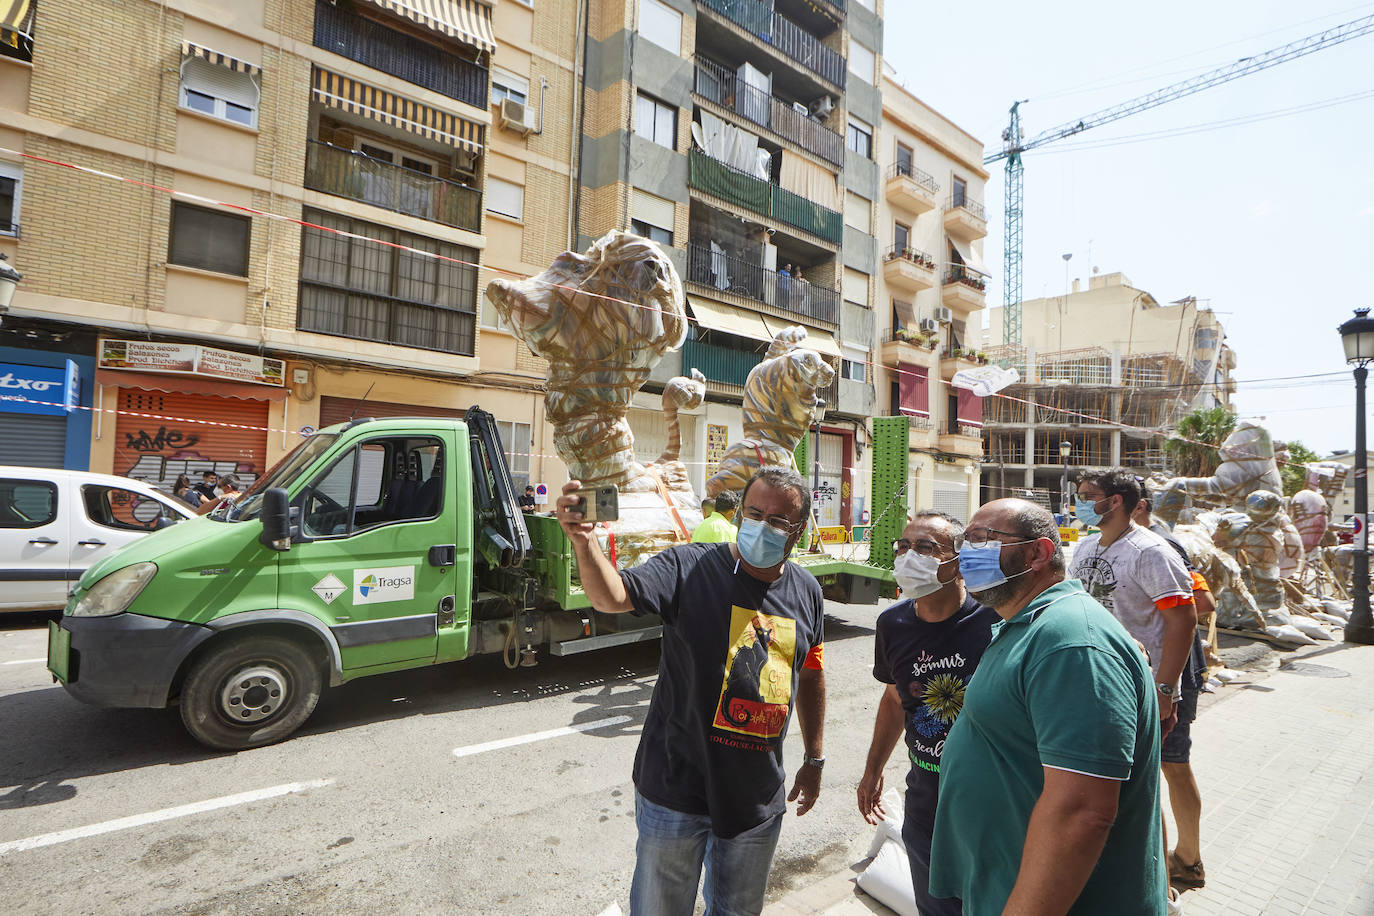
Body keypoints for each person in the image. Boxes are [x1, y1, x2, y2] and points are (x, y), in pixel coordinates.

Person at [557, 467, 825, 916]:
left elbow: (812, 674)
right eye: (754, 513)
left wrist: (814, 758)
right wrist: (585, 543)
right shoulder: (689, 566)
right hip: (675, 791)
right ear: (739, 512)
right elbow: (613, 597)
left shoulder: (807, 592)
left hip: (755, 801)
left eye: (778, 521)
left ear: (798, 532)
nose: (762, 525)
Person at [928, 498, 1165, 914]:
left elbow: (1082, 812)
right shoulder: (1030, 625)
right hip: (1005, 883)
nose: (968, 552)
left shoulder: (1071, 642)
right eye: (966, 540)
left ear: (1038, 552)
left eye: (983, 539)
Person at [857, 511, 998, 916]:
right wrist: (873, 770)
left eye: (925, 547)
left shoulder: (994, 621)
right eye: (903, 546)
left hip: (986, 805)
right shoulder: (892, 624)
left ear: (958, 560)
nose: (908, 556)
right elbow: (892, 698)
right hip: (926, 803)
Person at [1131, 496, 1212, 893]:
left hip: (1173, 674)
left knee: (1170, 766)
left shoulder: (1162, 545)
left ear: (1137, 505)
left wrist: (1167, 683)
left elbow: (1204, 603)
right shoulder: (1118, 544)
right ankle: (1181, 861)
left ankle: (1184, 863)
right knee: (1166, 767)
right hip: (1151, 675)